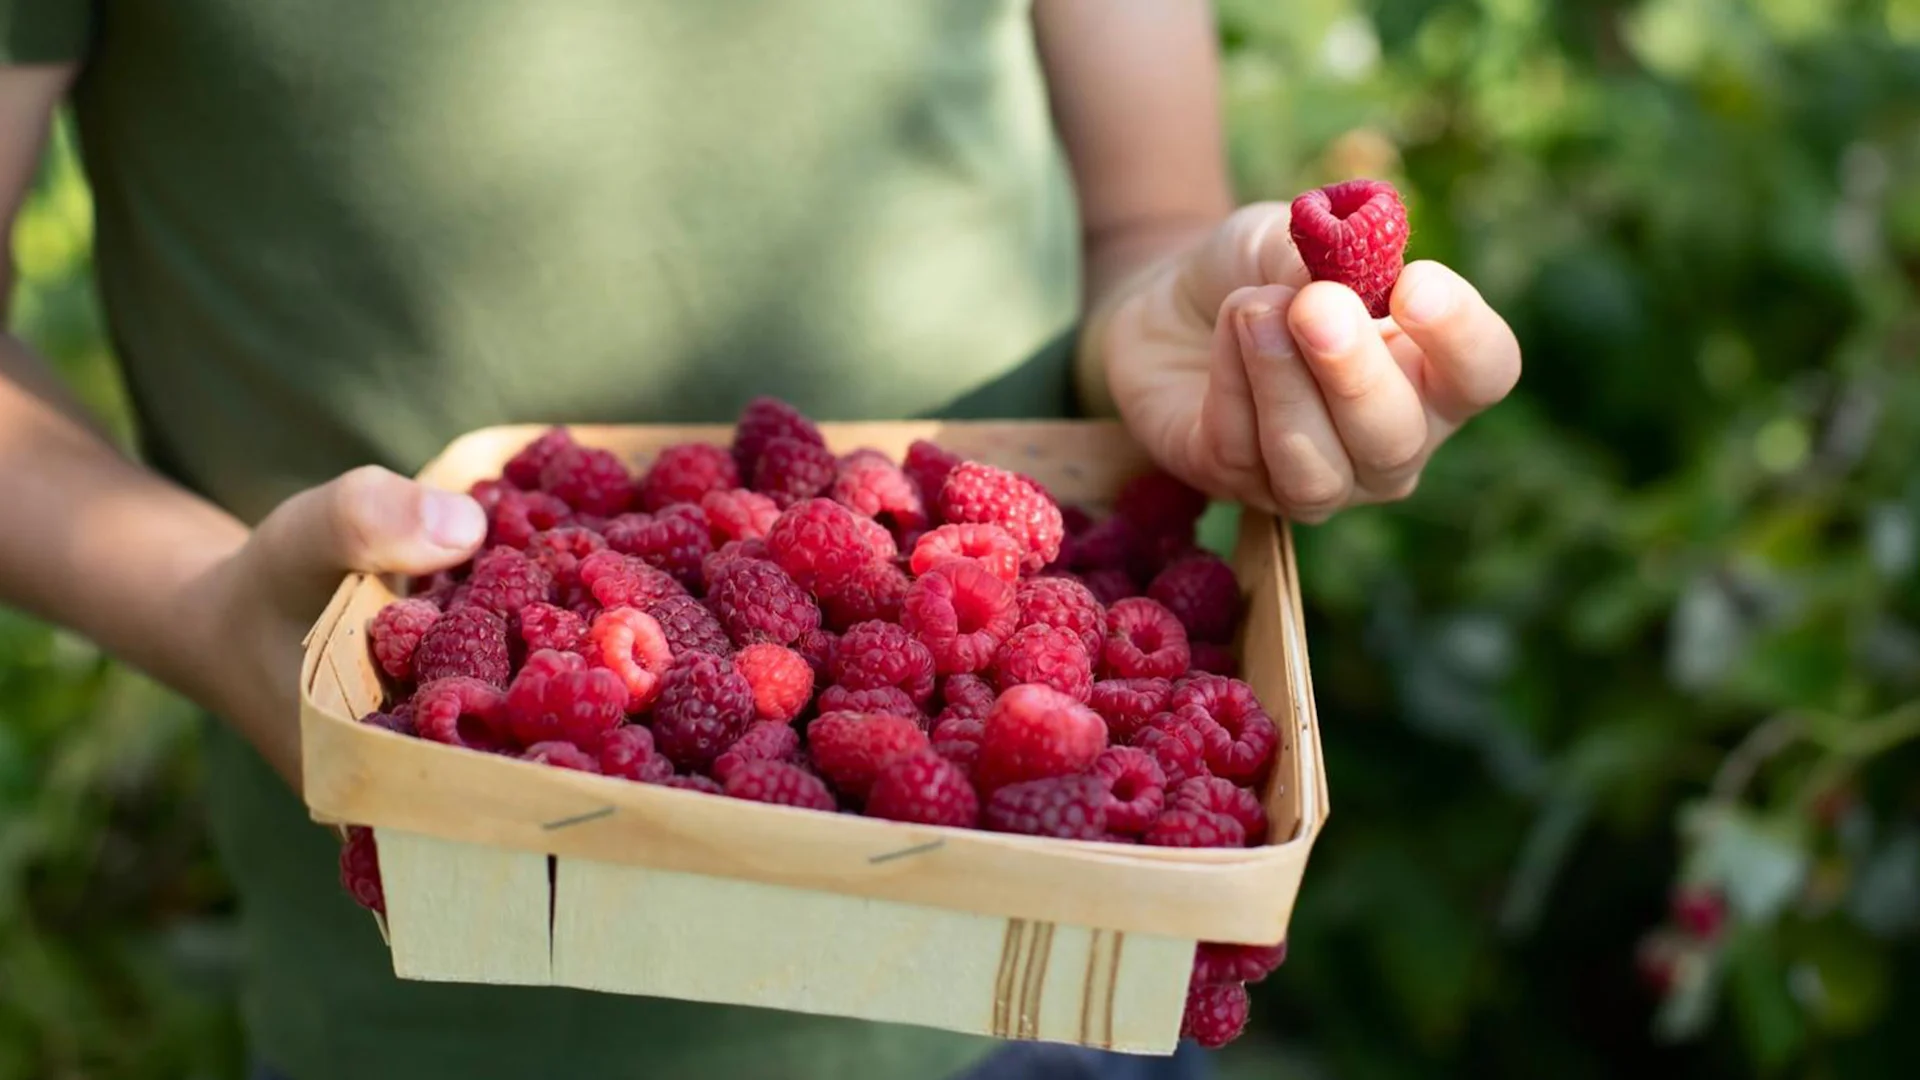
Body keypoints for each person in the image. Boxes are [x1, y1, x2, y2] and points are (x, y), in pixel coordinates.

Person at [0, 2, 1521, 1078]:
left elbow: (1150, 213)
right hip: (440, 1012)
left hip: (1045, 972)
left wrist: (1186, 325)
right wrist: (206, 609)